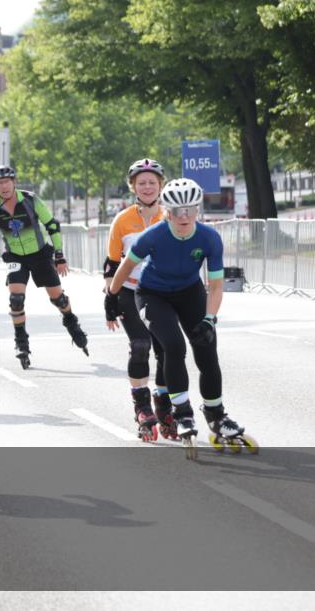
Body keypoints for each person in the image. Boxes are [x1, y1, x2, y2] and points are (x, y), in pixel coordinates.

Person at [108, 178, 255, 456]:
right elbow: (125, 267)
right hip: (153, 294)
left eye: (190, 209)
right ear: (166, 211)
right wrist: (111, 297)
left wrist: (210, 319)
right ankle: (183, 413)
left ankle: (216, 415)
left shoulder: (209, 238)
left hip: (189, 292)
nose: (184, 216)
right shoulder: (151, 236)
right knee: (174, 346)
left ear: (198, 209)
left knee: (206, 348)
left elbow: (215, 286)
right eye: (177, 210)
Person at [0, 165, 88, 370]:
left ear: (14, 182)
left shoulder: (31, 200)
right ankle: (21, 343)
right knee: (16, 300)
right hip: (16, 257)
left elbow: (52, 225)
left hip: (40, 254)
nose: (4, 186)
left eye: (7, 182)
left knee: (58, 298)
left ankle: (71, 321)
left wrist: (59, 255)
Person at [103, 159, 173, 442]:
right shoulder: (122, 220)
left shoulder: (170, 217)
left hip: (161, 292)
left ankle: (165, 406)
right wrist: (109, 298)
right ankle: (142, 407)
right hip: (130, 290)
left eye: (152, 182)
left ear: (160, 186)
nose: (147, 187)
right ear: (133, 186)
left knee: (166, 350)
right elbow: (111, 264)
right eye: (141, 182)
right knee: (140, 345)